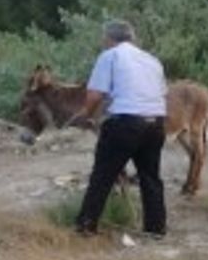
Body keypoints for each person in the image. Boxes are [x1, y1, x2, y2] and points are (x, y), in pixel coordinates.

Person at [71, 20, 168, 238]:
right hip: (156, 123)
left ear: (108, 39)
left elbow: (95, 94)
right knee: (150, 177)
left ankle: (86, 225)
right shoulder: (152, 60)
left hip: (126, 121)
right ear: (131, 38)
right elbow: (161, 93)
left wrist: (85, 115)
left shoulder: (110, 56)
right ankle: (156, 229)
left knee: (103, 175)